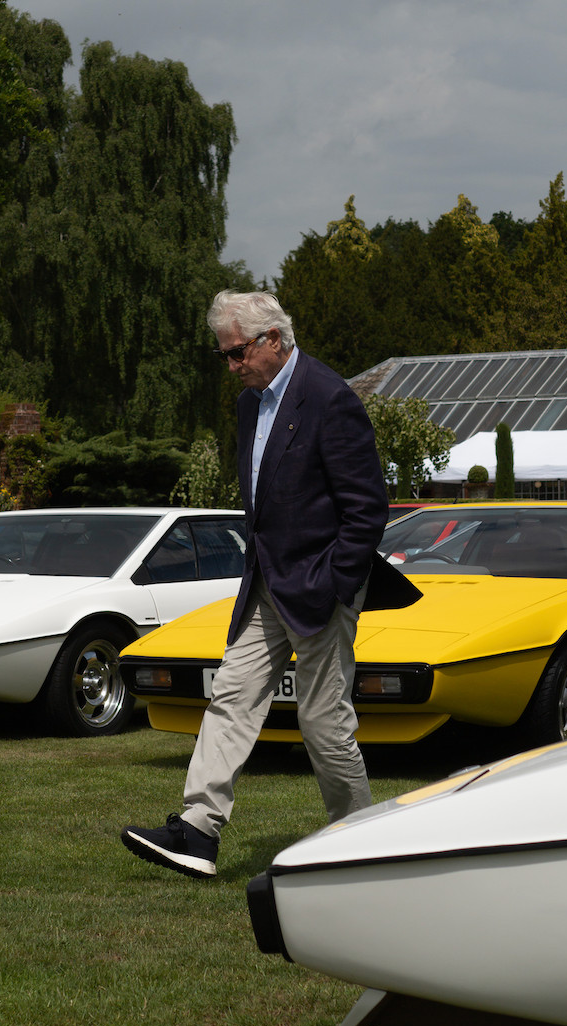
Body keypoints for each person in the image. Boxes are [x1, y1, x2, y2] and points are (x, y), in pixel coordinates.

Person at [120, 290, 420, 879]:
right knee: (232, 697)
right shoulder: (250, 404)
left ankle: (364, 844)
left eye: (236, 354)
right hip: (267, 584)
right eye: (225, 356)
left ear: (271, 341)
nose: (231, 366)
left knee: (323, 721)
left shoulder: (329, 397)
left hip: (321, 587)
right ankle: (197, 833)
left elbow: (367, 508)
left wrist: (338, 583)